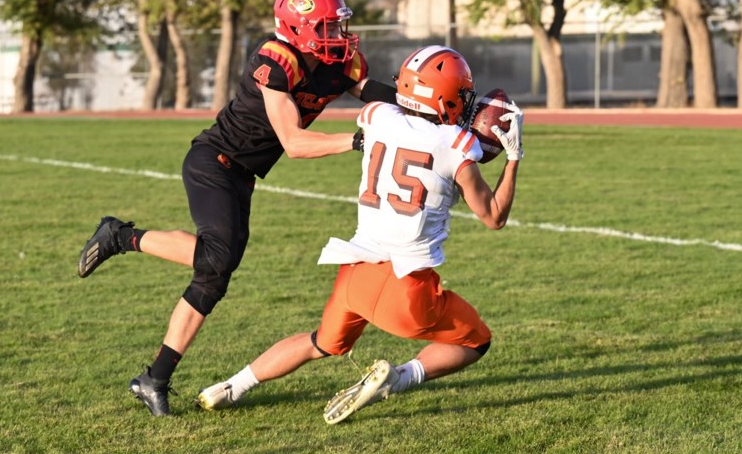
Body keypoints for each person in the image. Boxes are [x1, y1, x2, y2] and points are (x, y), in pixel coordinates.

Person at [77, 0, 399, 416]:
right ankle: (121, 237)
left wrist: (424, 106)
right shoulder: (277, 59)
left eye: (338, 27)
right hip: (214, 161)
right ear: (297, 27)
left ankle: (154, 379)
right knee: (217, 258)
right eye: (325, 28)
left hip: (242, 175)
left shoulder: (342, 61)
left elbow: (375, 93)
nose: (337, 38)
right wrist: (361, 141)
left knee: (214, 277)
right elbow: (295, 142)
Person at [195, 45, 524, 424]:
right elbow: (494, 217)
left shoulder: (377, 117)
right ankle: (397, 379)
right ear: (443, 96)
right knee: (476, 340)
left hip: (355, 271)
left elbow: (393, 109)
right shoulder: (457, 144)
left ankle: (231, 386)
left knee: (320, 342)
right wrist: (514, 158)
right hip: (409, 286)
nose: (465, 102)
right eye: (461, 94)